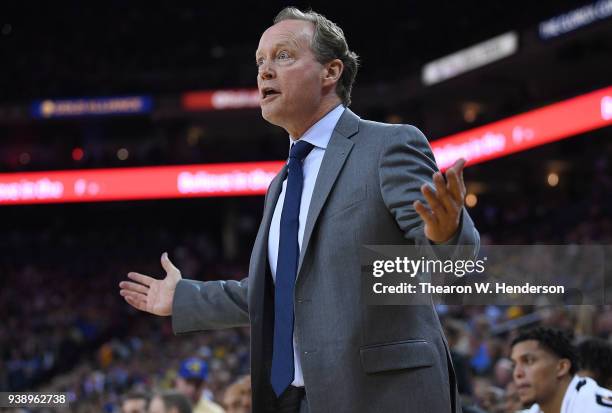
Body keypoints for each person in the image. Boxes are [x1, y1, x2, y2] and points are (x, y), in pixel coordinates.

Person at [119, 6, 479, 412]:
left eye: (283, 56)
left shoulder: (387, 146)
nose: (264, 72)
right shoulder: (282, 183)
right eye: (260, 62)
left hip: (383, 397)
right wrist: (184, 298)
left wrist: (446, 233)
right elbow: (275, 293)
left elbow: (453, 271)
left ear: (331, 72)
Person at [510, 327, 612, 413]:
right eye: (514, 365)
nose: (517, 373)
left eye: (528, 361)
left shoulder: (598, 408)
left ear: (562, 367)